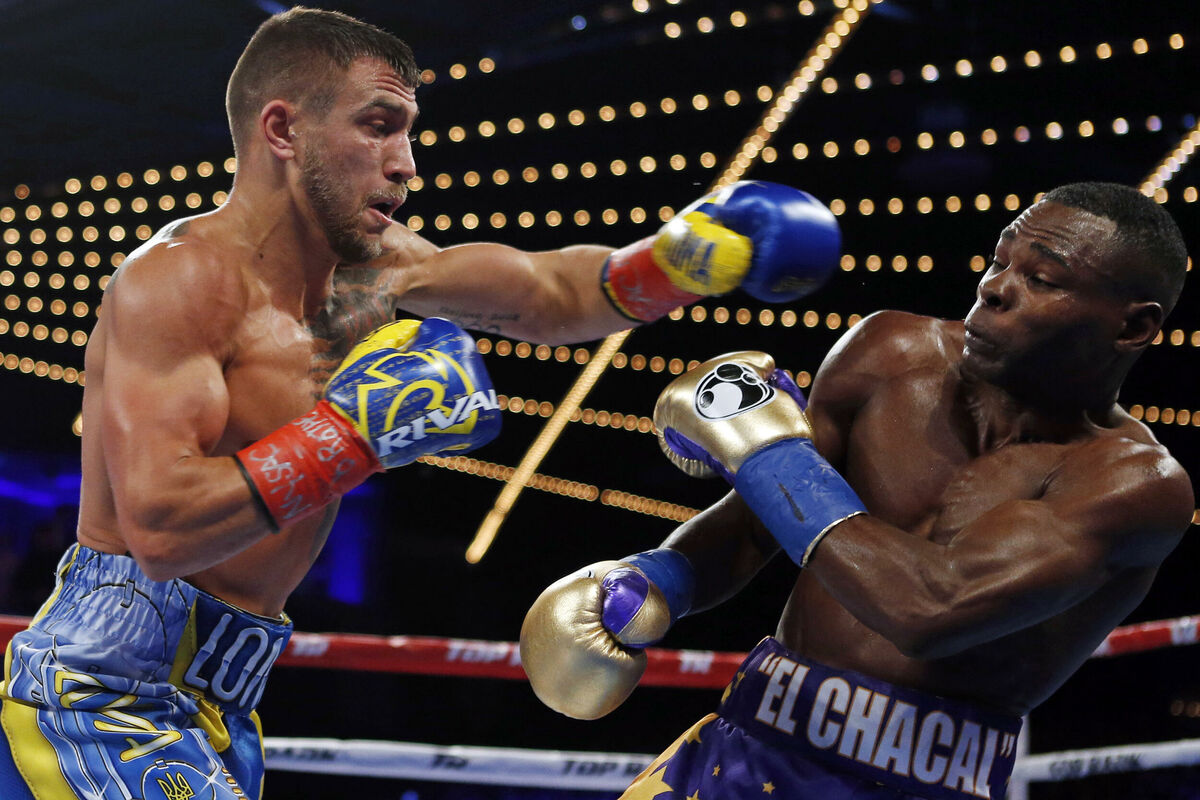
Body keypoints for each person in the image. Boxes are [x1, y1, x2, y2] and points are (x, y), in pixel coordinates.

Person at [0, 7, 843, 800]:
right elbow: (158, 530)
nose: (406, 163)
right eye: (378, 125)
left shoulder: (379, 273)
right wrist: (351, 434)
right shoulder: (180, 282)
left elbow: (547, 294)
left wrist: (680, 261)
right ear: (283, 131)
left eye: (407, 131)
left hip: (219, 706)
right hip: (102, 696)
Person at [520, 181, 1194, 800]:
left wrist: (767, 454)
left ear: (1132, 327)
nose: (995, 288)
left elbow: (932, 608)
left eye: (1040, 278)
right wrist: (659, 579)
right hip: (738, 746)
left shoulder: (1133, 484)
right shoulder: (889, 353)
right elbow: (757, 524)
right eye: (1000, 261)